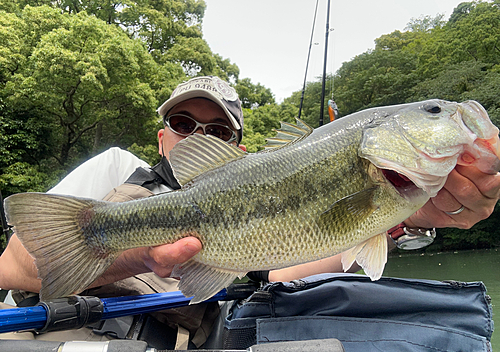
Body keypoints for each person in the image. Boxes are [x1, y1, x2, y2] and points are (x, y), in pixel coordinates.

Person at [0, 76, 500, 337]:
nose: (196, 136)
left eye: (217, 131)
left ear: (237, 151)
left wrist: (407, 218)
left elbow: (286, 267)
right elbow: (15, 265)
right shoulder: (120, 184)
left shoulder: (261, 190)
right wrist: (140, 253)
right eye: (183, 123)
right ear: (161, 137)